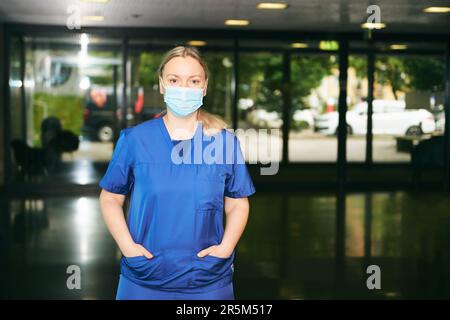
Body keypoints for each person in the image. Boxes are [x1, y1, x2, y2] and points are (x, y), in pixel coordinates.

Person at [98, 46, 256, 300]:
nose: (184, 88)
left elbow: (237, 203)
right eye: (174, 80)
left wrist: (225, 249)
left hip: (207, 280)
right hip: (145, 277)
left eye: (193, 81)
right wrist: (128, 249)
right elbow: (110, 197)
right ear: (162, 85)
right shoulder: (135, 140)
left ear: (204, 87)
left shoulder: (224, 143)